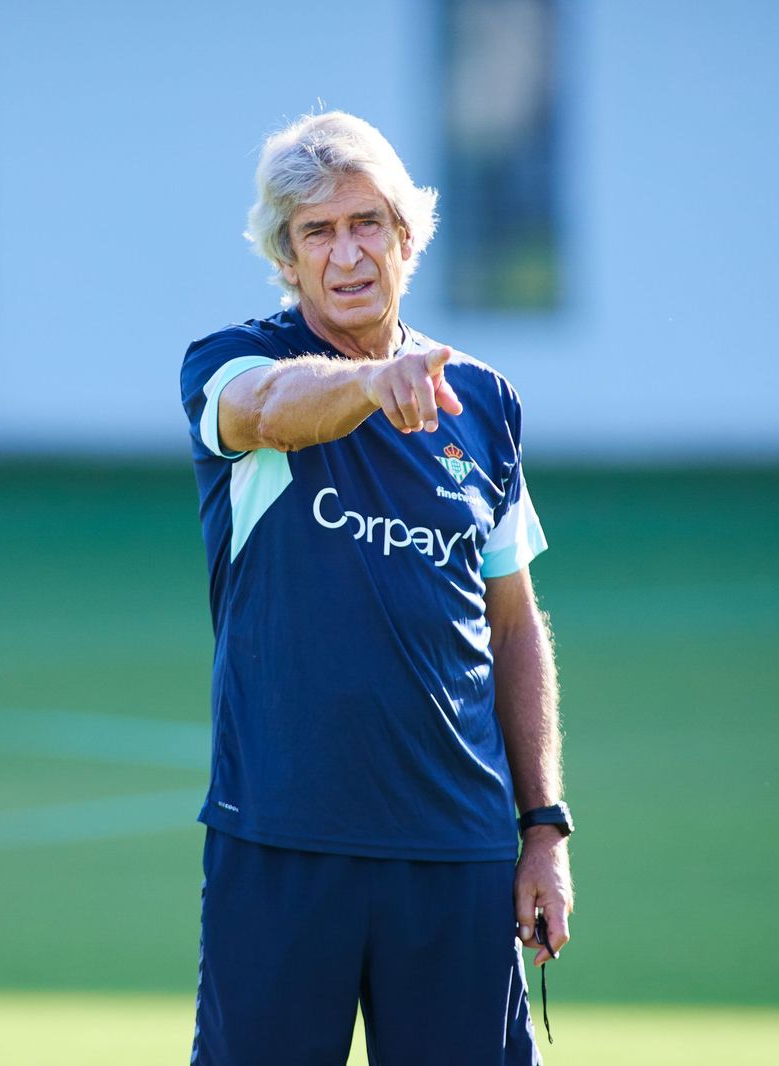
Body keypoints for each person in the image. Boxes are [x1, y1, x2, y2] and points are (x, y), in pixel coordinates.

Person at [180, 111, 573, 1066]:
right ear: (287, 257)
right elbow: (269, 408)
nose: (347, 254)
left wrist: (543, 828)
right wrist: (372, 383)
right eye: (316, 232)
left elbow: (512, 625)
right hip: (283, 838)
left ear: (406, 234)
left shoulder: (483, 400)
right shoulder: (230, 363)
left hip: (457, 849)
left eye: (366, 223)